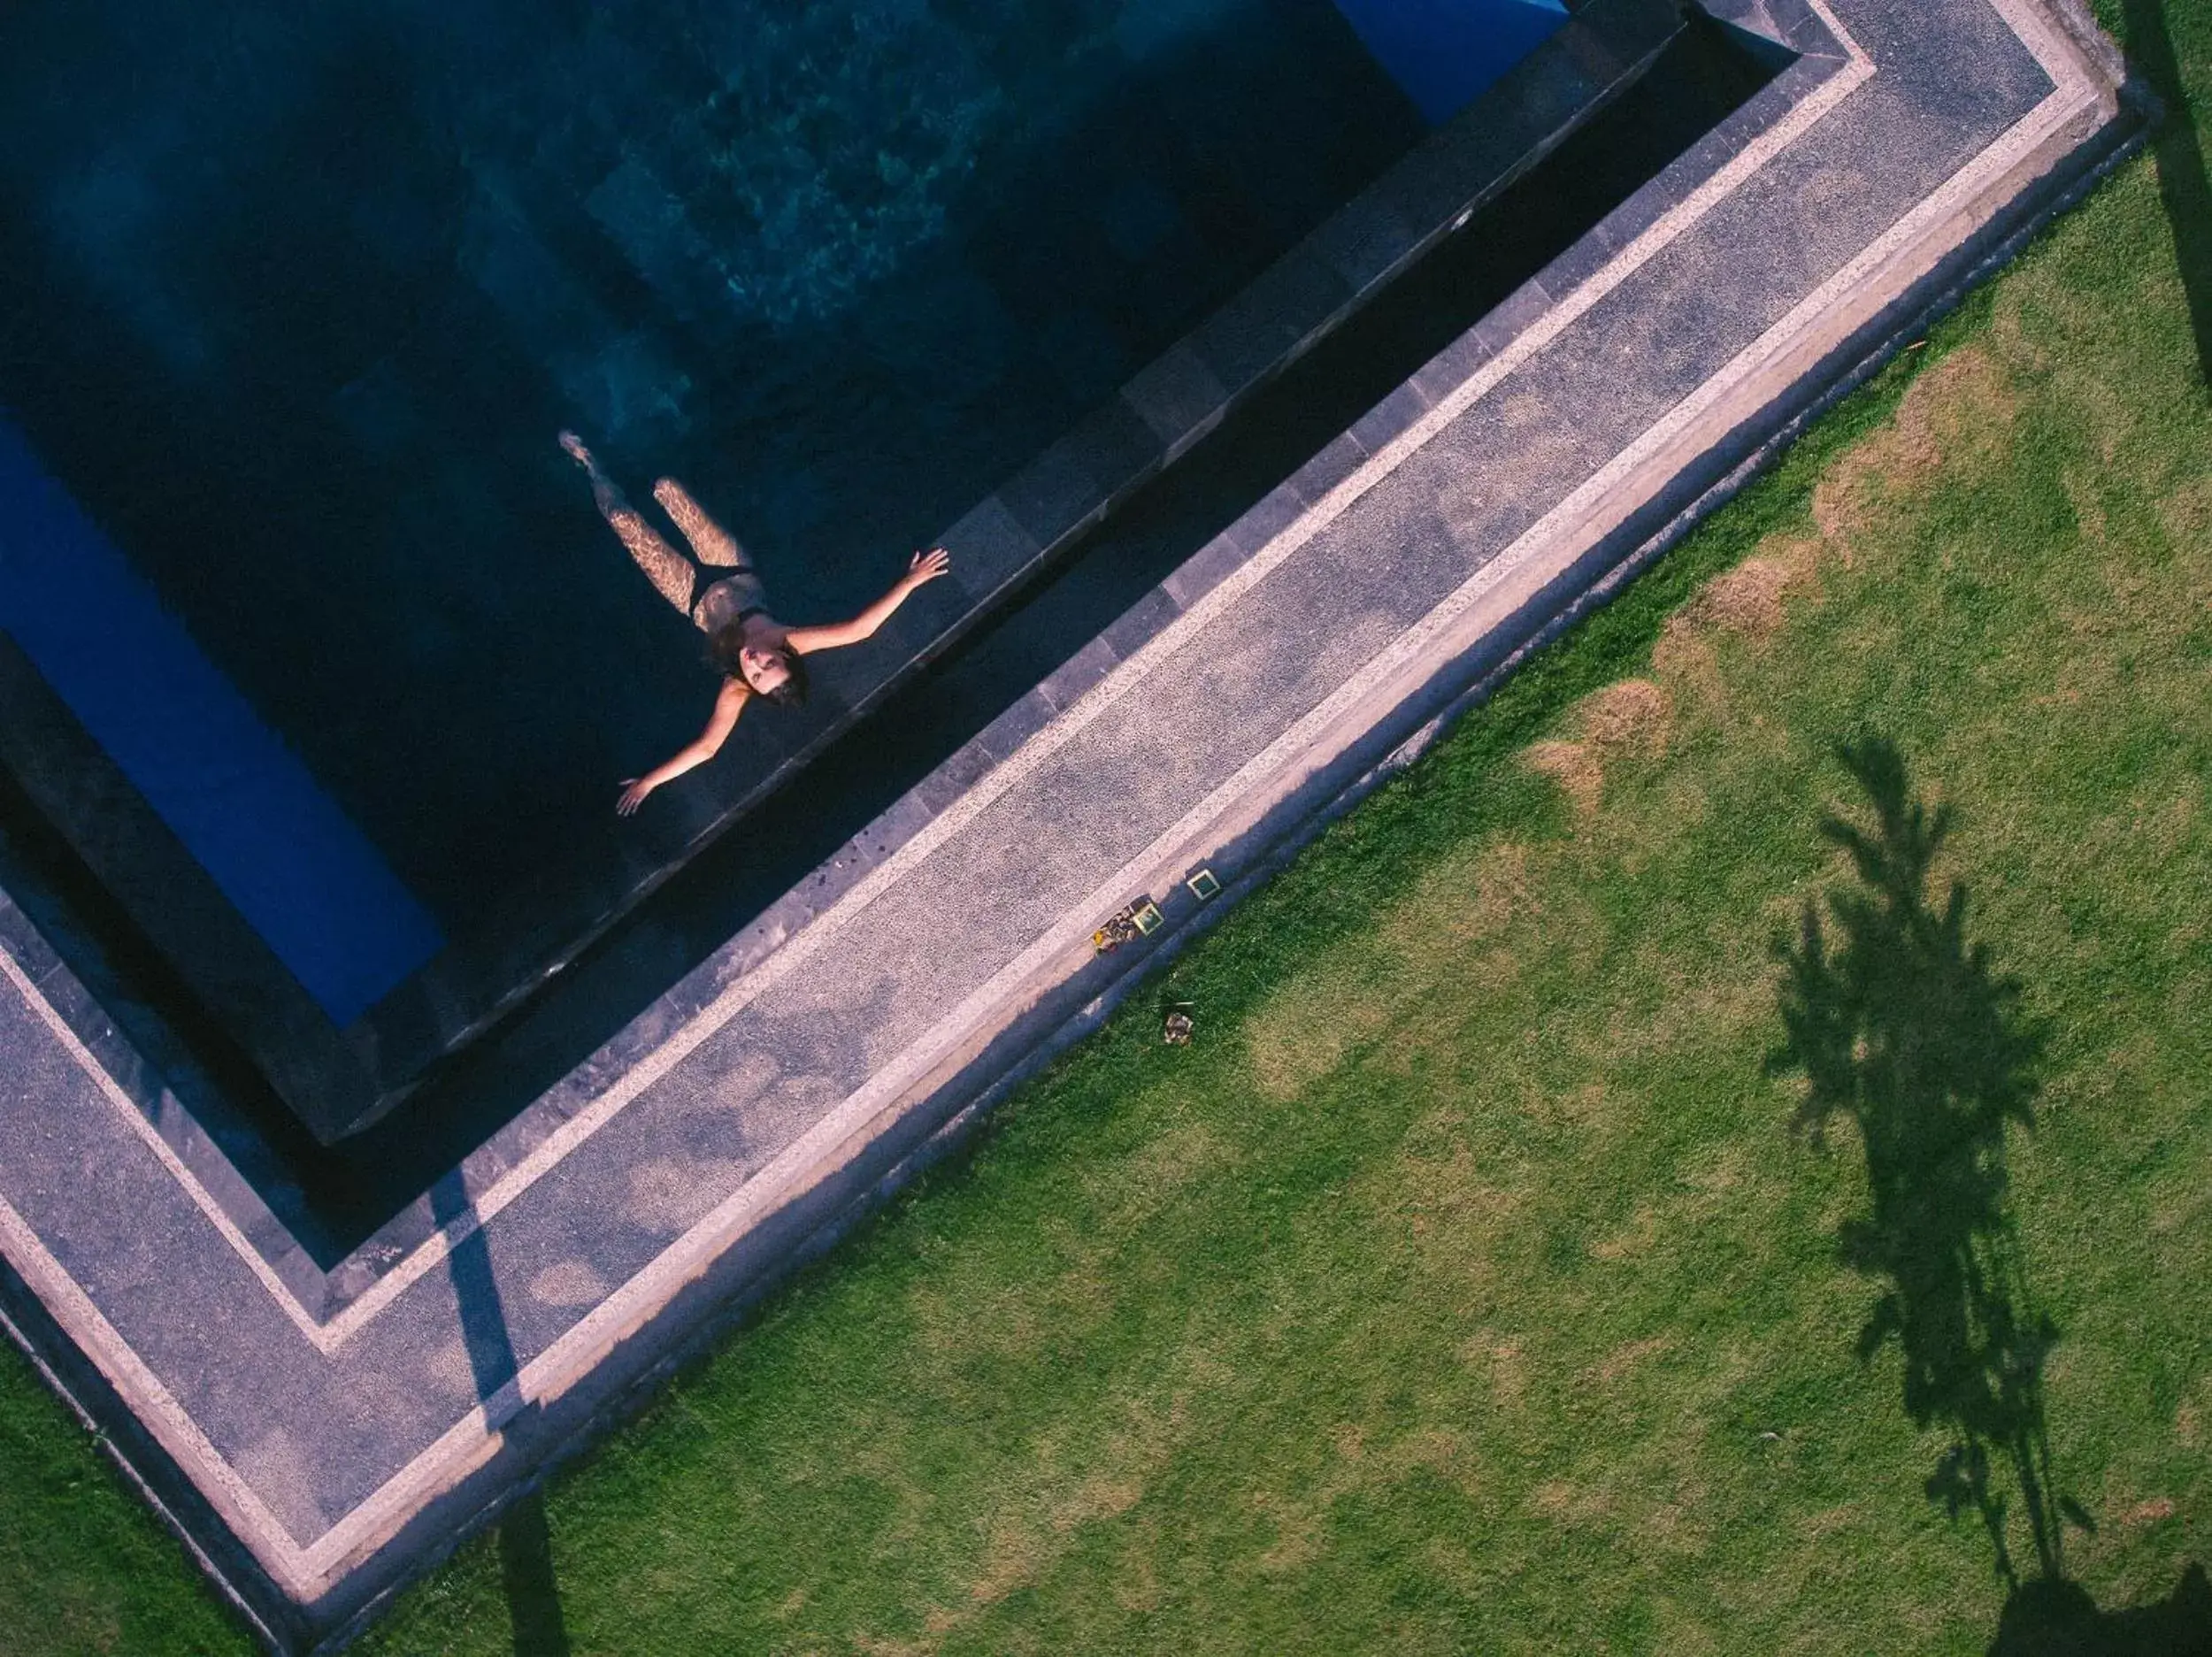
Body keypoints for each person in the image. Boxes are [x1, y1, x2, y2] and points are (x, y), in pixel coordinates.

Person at [560, 432, 951, 816]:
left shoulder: (735, 688)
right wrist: (910, 581)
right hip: (732, 570)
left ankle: (591, 466)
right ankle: (628, 436)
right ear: (783, 655)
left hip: (690, 596)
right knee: (667, 488)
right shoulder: (792, 639)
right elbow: (860, 629)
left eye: (757, 674)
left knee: (623, 518)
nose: (754, 662)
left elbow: (707, 747)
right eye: (769, 663)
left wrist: (650, 781)